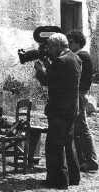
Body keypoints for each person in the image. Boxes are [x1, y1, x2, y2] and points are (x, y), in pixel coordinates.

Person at [34, 33, 81, 189]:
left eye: (50, 46)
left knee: (55, 144)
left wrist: (40, 70)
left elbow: (49, 81)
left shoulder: (60, 61)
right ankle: (73, 177)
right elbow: (61, 78)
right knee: (68, 142)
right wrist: (49, 64)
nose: (49, 49)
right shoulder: (74, 58)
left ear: (57, 45)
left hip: (59, 109)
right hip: (71, 108)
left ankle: (58, 180)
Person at [66, 30, 98, 172]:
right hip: (79, 94)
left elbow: (82, 79)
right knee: (79, 128)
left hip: (78, 94)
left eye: (71, 43)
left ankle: (91, 161)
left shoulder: (81, 56)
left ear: (78, 43)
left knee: (82, 128)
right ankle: (85, 159)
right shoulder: (80, 55)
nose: (69, 45)